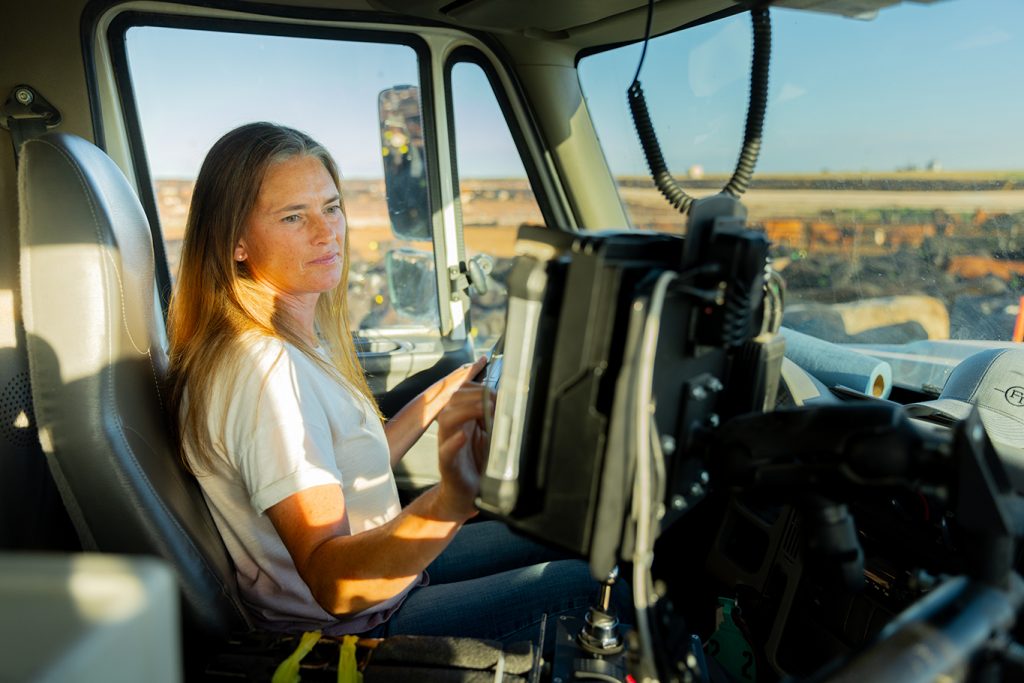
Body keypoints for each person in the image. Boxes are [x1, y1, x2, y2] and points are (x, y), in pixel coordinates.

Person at [166, 122, 627, 652]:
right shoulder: (263, 371)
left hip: (388, 584)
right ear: (236, 242)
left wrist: (440, 397)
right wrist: (453, 499)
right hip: (358, 630)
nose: (327, 232)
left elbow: (338, 471)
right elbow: (335, 585)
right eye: (294, 217)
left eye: (332, 207)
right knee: (591, 583)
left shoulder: (277, 342)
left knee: (564, 528)